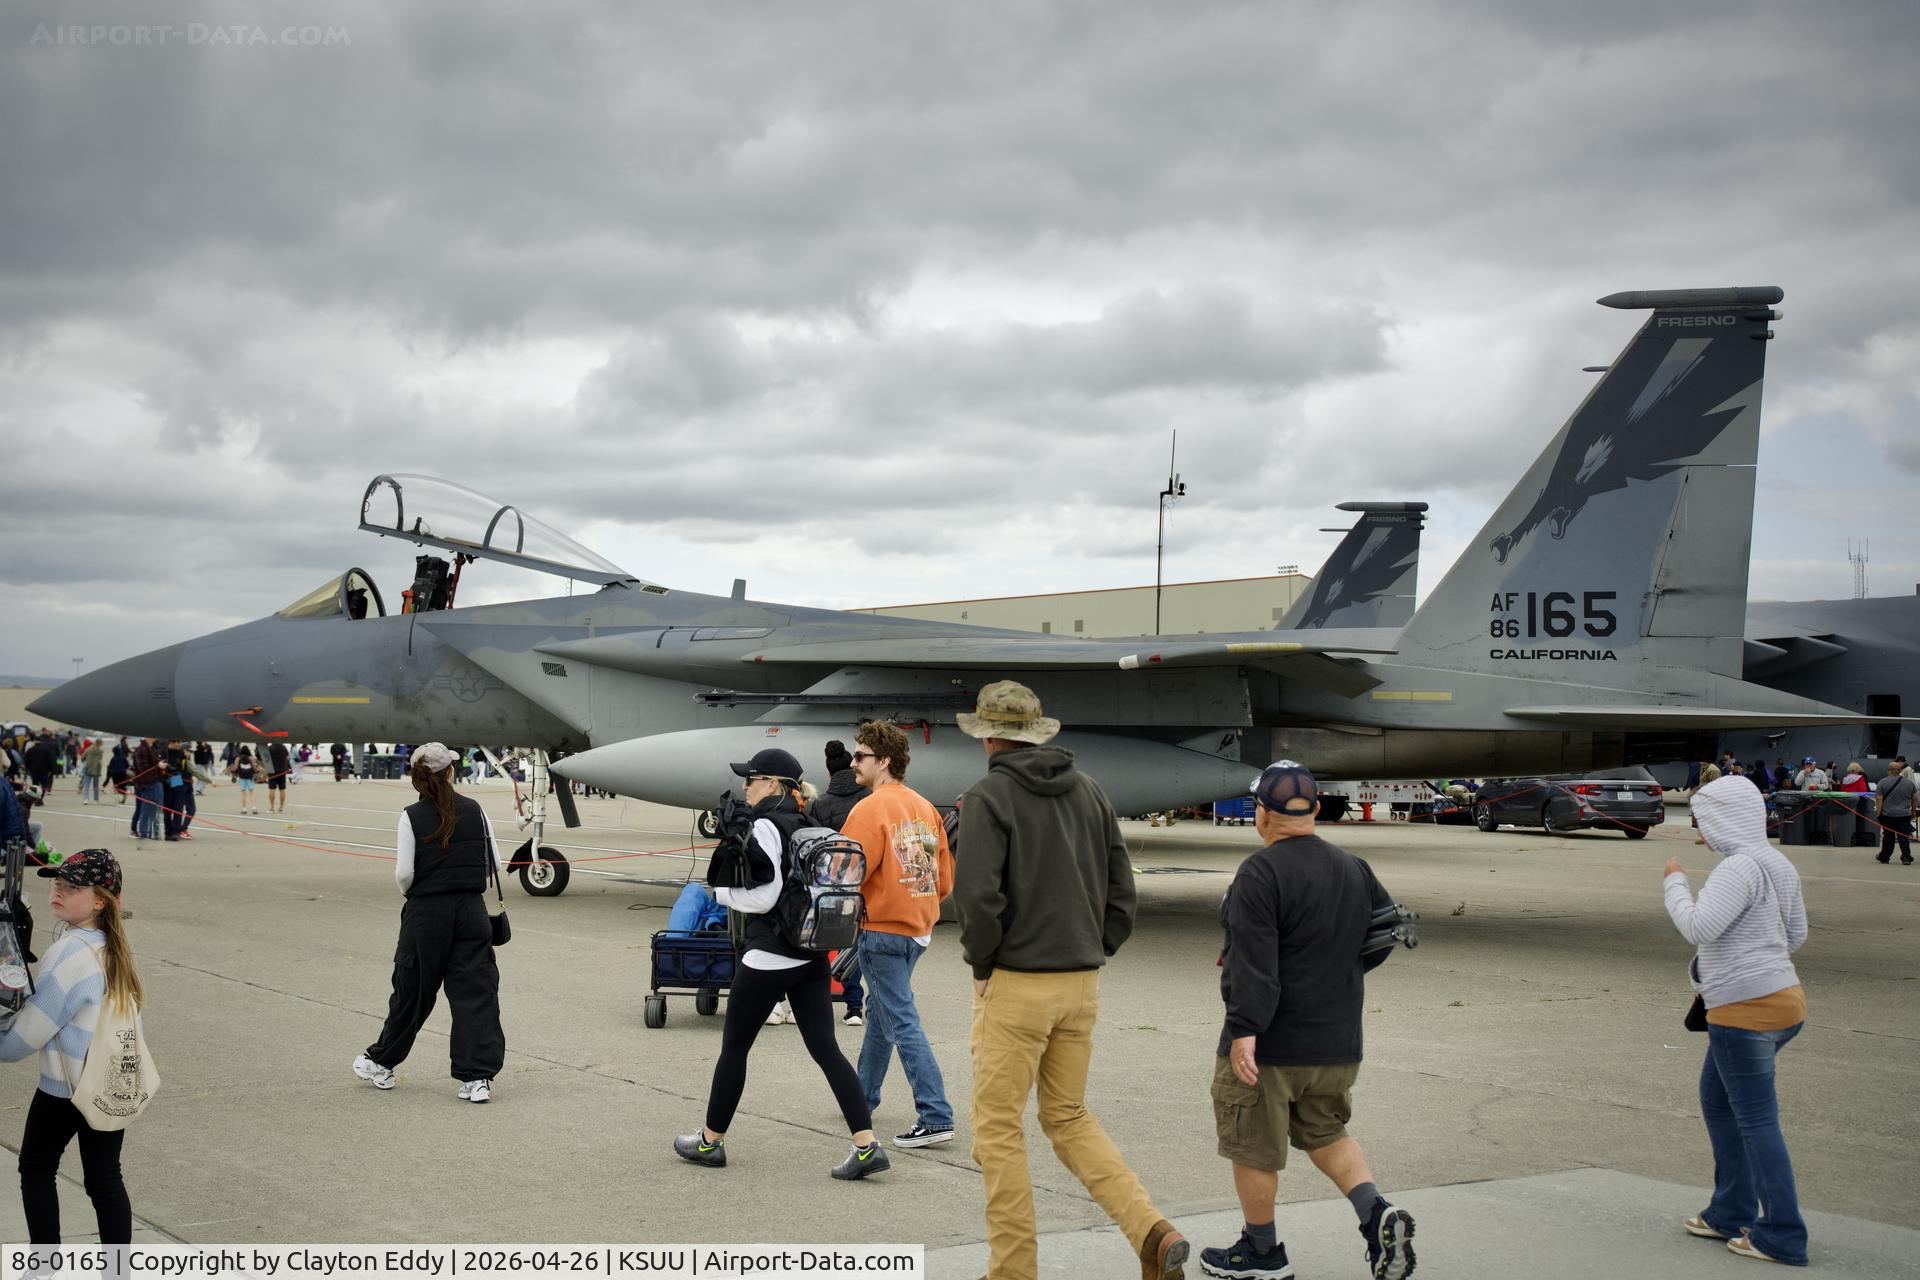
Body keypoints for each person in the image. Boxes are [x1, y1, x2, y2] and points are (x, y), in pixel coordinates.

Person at [953, 680, 1187, 1280]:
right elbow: (1121, 889)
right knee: (1068, 1116)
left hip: (1017, 982)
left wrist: (983, 968)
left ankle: (1012, 1270)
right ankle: (1149, 1231)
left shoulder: (987, 797)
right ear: (1036, 731)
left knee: (997, 1131)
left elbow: (978, 899)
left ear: (988, 738)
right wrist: (1095, 947)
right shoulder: (1090, 791)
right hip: (1080, 981)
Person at [1204, 760, 1414, 1280]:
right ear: (1316, 809)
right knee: (1327, 1133)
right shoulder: (1353, 868)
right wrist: (1336, 977)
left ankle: (1261, 1253)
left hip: (1271, 1045)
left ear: (1263, 813)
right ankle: (1375, 1214)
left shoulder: (1260, 871)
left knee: (1253, 1145)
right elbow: (1384, 935)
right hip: (1338, 1041)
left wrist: (1244, 1030)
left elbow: (1252, 961)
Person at [672, 748, 888, 1180]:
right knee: (826, 1050)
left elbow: (765, 896)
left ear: (773, 784)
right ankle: (866, 1145)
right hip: (810, 950)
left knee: (734, 1048)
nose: (744, 786)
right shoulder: (808, 821)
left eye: (751, 779)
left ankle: (710, 1142)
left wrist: (720, 894)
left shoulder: (768, 824)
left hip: (770, 952)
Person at [1663, 775, 1809, 1266]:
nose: (1699, 830)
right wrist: (1758, 962)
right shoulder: (1778, 863)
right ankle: (1730, 1211)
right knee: (1720, 1103)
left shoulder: (1736, 869)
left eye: (1702, 819)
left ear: (1723, 818)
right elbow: (1796, 935)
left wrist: (1674, 882)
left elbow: (1698, 927)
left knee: (1755, 1120)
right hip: (1785, 1002)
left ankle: (1782, 1235)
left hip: (1742, 1012)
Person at [0, 850, 141, 1243]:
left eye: (72, 887)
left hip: (66, 1088)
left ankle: (45, 1265)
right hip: (111, 1081)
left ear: (99, 899)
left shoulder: (70, 953)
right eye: (57, 883)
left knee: (36, 1168)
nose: (57, 892)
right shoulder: (113, 948)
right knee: (105, 1180)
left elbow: (24, 1037)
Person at [352, 743, 506, 1102]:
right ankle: (477, 1078)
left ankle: (383, 1062)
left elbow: (404, 873)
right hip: (471, 910)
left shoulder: (410, 816)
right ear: (450, 772)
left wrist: (421, 891)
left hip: (426, 913)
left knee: (413, 991)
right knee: (476, 993)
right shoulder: (475, 810)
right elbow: (494, 863)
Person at [840, 720, 956, 1148]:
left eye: (860, 756)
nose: (853, 763)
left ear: (883, 761)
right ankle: (860, 1097)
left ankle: (936, 1114)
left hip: (881, 929)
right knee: (883, 1014)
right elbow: (943, 880)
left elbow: (846, 873)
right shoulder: (925, 808)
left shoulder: (868, 809)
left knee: (900, 1020)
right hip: (918, 927)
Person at [807, 739, 869, 1025]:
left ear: (830, 774)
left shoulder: (821, 805)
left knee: (829, 942)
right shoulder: (869, 797)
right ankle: (856, 1007)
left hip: (833, 883)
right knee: (860, 945)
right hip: (867, 879)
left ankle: (821, 1004)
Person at [1873, 756, 1914, 865]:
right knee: (1903, 837)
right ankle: (1906, 857)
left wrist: (1878, 813)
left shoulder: (1882, 782)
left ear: (1889, 770)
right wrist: (1913, 812)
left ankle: (1885, 857)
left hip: (1888, 815)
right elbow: (1914, 799)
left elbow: (1879, 799)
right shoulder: (1909, 783)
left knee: (1888, 837)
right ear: (1900, 771)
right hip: (1904, 814)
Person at [229, 747, 262, 815]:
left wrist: (231, 772)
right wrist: (258, 773)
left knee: (243, 794)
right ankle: (254, 808)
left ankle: (244, 809)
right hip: (250, 777)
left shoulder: (238, 758)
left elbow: (235, 768)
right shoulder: (251, 758)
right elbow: (255, 768)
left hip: (242, 777)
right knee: (252, 792)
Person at [265, 739, 292, 813]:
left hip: (272, 771)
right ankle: (281, 808)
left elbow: (266, 759)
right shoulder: (283, 747)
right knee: (282, 789)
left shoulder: (270, 748)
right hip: (282, 771)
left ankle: (272, 808)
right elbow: (287, 757)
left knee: (272, 789)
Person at [79, 737, 104, 805]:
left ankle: (86, 799)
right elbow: (100, 760)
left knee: (86, 784)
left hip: (88, 768)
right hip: (96, 769)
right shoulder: (101, 751)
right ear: (101, 744)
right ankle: (96, 799)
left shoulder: (88, 749)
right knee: (96, 785)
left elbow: (82, 758)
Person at [107, 740, 130, 804]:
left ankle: (119, 798)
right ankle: (123, 797)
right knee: (123, 786)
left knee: (117, 786)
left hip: (115, 775)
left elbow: (110, 767)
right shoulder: (123, 757)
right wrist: (123, 769)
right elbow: (127, 765)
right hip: (122, 774)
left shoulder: (113, 758)